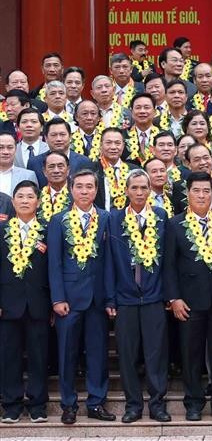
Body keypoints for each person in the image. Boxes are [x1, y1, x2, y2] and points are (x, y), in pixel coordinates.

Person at [164, 172, 212, 421]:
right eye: (197, 191)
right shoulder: (175, 224)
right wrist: (174, 298)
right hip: (189, 302)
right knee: (191, 354)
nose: (202, 195)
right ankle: (193, 403)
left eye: (207, 191)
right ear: (188, 193)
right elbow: (169, 265)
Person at [48, 169, 114, 424]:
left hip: (97, 299)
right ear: (71, 189)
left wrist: (110, 299)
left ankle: (96, 402)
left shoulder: (107, 219)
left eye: (90, 187)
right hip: (69, 300)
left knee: (98, 353)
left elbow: (109, 262)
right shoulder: (59, 219)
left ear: (96, 190)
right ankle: (68, 404)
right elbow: (54, 263)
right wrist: (57, 298)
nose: (85, 191)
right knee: (67, 353)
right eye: (80, 187)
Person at [106, 169, 170, 423]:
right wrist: (110, 298)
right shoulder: (114, 219)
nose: (140, 192)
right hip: (125, 298)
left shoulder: (162, 217)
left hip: (154, 297)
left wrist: (167, 294)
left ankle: (157, 404)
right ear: (126, 190)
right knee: (128, 354)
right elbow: (109, 261)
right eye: (135, 188)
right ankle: (133, 405)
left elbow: (167, 261)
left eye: (144, 187)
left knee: (156, 354)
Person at [0, 181, 50, 424]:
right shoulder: (1, 231)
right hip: (8, 303)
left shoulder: (48, 230)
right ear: (13, 201)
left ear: (37, 202)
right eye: (20, 196)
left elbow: (53, 270)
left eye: (30, 196)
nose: (25, 200)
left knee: (39, 356)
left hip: (39, 304)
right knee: (9, 355)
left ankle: (38, 405)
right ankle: (11, 405)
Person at [28, 118, 93, 188]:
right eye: (53, 135)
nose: (58, 139)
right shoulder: (34, 163)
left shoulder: (84, 162)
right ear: (46, 138)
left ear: (70, 137)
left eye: (62, 134)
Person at [92, 127, 138, 211]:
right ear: (101, 145)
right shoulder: (91, 170)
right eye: (108, 143)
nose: (113, 147)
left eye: (117, 143)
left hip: (128, 220)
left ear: (123, 146)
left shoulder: (134, 171)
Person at [0, 131, 38, 196]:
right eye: (1, 147)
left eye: (10, 147)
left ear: (16, 149)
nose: (5, 152)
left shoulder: (28, 175)